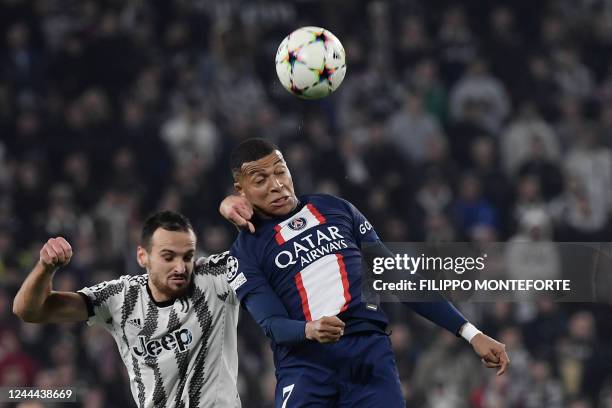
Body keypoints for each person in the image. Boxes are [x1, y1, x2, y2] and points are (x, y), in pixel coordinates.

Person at [220, 138, 509, 407]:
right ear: (240, 190)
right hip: (305, 366)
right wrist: (309, 329)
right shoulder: (244, 252)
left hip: (368, 354)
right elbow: (272, 323)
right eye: (261, 180)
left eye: (281, 172)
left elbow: (397, 277)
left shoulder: (335, 208)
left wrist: (471, 333)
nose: (277, 185)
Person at [13, 211, 241, 408]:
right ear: (143, 257)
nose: (180, 267)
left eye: (187, 256)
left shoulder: (213, 276)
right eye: (168, 257)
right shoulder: (120, 297)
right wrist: (45, 269)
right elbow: (29, 311)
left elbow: (266, 251)